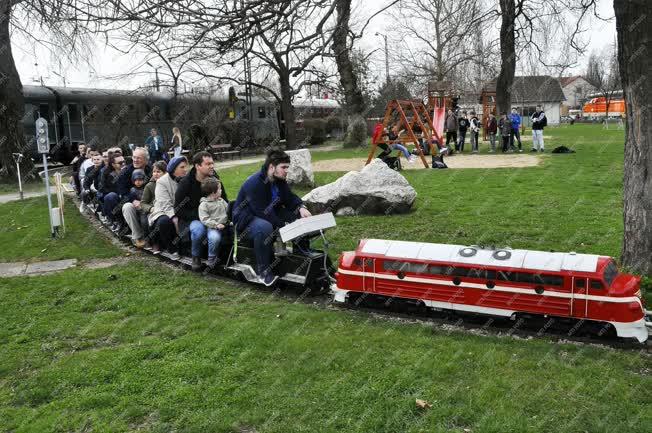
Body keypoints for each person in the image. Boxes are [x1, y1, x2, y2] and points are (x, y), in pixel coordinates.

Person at [232, 150, 312, 286]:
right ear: (271, 167)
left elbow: (289, 197)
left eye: (288, 167)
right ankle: (263, 272)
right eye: (284, 167)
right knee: (265, 227)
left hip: (268, 213)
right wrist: (283, 226)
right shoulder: (254, 183)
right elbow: (263, 212)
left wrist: (301, 208)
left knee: (298, 218)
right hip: (247, 219)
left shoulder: (280, 180)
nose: (287, 171)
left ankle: (303, 258)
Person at [175, 151, 228, 271]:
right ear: (198, 166)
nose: (212, 166)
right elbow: (178, 209)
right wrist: (201, 216)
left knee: (215, 234)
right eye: (208, 164)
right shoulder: (186, 183)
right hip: (192, 219)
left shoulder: (215, 180)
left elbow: (224, 199)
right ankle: (195, 256)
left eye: (212, 163)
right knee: (198, 230)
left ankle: (214, 257)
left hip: (214, 218)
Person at [103, 147, 151, 232]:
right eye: (134, 157)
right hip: (131, 201)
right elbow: (123, 192)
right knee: (117, 200)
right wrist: (133, 200)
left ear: (146, 160)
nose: (135, 160)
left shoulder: (150, 170)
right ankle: (126, 227)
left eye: (138, 158)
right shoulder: (125, 172)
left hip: (148, 200)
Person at [148, 156, 188, 255]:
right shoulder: (162, 181)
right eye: (182, 167)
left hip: (181, 209)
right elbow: (165, 204)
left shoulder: (186, 179)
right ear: (174, 168)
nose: (185, 169)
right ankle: (172, 249)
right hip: (162, 210)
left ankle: (187, 248)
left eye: (185, 167)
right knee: (165, 221)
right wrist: (174, 217)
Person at [198, 177, 228, 269]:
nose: (221, 190)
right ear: (213, 192)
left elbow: (228, 210)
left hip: (226, 225)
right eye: (219, 189)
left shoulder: (221, 201)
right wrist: (216, 225)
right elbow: (205, 219)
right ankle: (212, 257)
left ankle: (228, 256)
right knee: (214, 238)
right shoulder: (204, 205)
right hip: (213, 227)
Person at [138, 161, 167, 249]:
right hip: (152, 209)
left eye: (158, 172)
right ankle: (152, 241)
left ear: (165, 173)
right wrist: (150, 208)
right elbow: (143, 202)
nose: (155, 174)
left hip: (165, 208)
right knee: (146, 222)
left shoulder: (168, 183)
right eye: (154, 171)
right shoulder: (149, 186)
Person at [122, 169, 148, 247]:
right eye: (135, 180)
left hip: (146, 209)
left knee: (144, 222)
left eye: (140, 179)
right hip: (137, 209)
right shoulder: (132, 190)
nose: (138, 182)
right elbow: (128, 198)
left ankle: (147, 237)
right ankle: (139, 237)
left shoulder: (147, 187)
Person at [99, 153, 125, 229]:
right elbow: (102, 188)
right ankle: (116, 220)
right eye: (120, 163)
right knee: (110, 196)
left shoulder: (128, 170)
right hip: (113, 196)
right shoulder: (106, 173)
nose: (123, 164)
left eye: (124, 161)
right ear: (113, 164)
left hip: (126, 195)